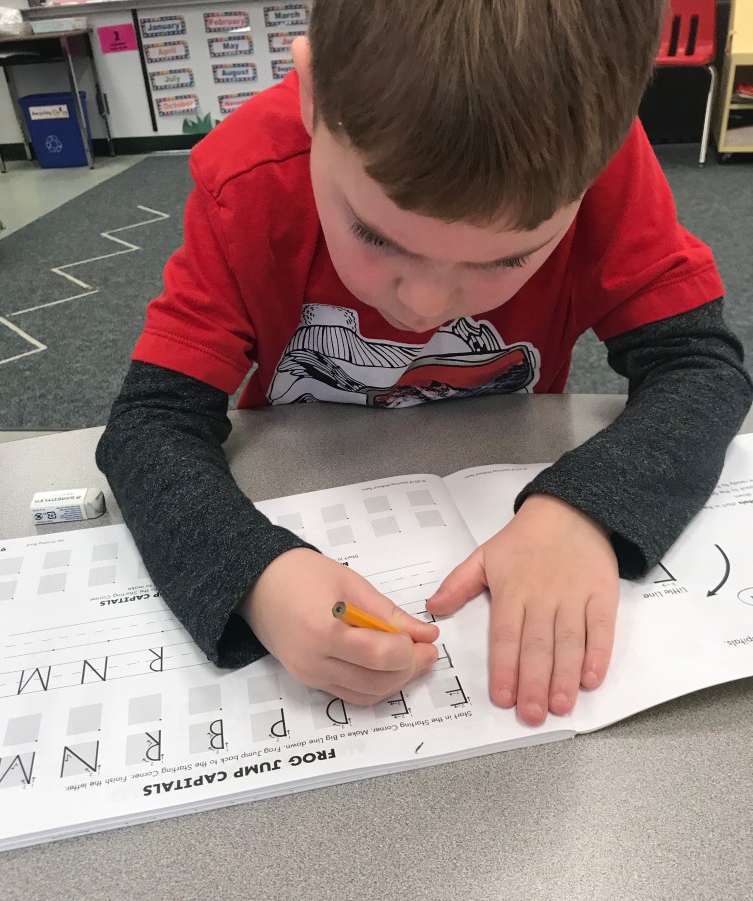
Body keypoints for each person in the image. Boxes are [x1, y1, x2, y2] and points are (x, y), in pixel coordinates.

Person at [97, 0, 752, 727]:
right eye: (376, 236)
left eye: (506, 259)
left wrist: (589, 510)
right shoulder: (249, 181)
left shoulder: (599, 161)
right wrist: (253, 575)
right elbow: (149, 423)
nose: (426, 302)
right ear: (312, 96)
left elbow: (700, 365)